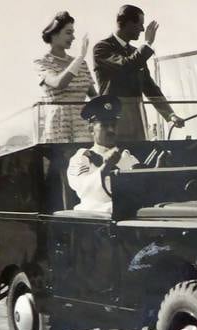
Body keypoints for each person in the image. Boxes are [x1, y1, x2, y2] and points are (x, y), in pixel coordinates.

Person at [93, 5, 183, 141]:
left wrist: (170, 115)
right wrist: (147, 44)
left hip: (138, 119)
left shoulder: (136, 53)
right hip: (115, 122)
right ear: (128, 23)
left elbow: (150, 87)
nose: (142, 29)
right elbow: (126, 66)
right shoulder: (102, 48)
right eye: (140, 24)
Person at [66, 96, 141, 213]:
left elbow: (141, 187)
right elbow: (82, 187)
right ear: (91, 129)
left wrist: (157, 169)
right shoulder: (82, 158)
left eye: (114, 125)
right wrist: (105, 167)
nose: (111, 130)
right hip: (95, 215)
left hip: (128, 214)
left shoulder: (126, 156)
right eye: (105, 125)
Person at [35, 11, 97, 143]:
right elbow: (58, 83)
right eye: (68, 33)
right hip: (58, 126)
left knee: (84, 161)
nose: (73, 37)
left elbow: (93, 96)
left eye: (73, 33)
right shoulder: (41, 62)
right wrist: (80, 57)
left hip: (83, 125)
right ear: (53, 34)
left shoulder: (82, 64)